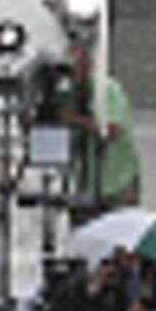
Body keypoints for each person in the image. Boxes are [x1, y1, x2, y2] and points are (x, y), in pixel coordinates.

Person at [61, 44, 141, 213]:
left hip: (116, 181)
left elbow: (112, 129)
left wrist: (73, 120)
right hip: (87, 184)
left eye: (75, 65)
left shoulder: (106, 89)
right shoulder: (70, 94)